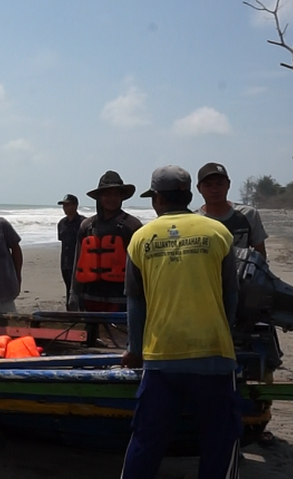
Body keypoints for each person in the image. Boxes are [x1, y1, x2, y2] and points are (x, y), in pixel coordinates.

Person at [121, 165, 241, 479]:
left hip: (162, 358)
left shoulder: (140, 238)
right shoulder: (218, 232)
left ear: (157, 199)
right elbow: (231, 293)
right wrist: (225, 333)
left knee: (146, 439)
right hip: (213, 355)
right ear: (189, 195)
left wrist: (134, 349)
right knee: (219, 440)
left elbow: (135, 302)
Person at [68, 172, 142, 343]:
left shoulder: (133, 226)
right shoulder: (86, 226)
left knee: (119, 344)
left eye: (116, 193)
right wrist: (74, 292)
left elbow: (140, 267)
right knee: (89, 343)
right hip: (89, 299)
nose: (111, 198)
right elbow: (77, 261)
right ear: (99, 197)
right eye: (107, 193)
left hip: (120, 300)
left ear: (122, 197)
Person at [196, 162, 268, 259]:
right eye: (208, 185)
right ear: (199, 189)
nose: (214, 190)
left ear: (228, 185)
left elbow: (261, 255)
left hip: (240, 272)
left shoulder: (248, 214)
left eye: (219, 184)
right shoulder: (194, 220)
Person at [56, 194, 85, 306]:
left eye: (68, 205)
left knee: (80, 291)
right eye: (64, 205)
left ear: (75, 206)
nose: (65, 208)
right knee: (68, 289)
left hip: (80, 263)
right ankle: (70, 312)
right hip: (65, 262)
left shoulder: (83, 223)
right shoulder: (61, 224)